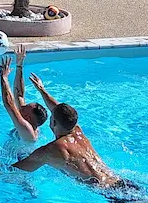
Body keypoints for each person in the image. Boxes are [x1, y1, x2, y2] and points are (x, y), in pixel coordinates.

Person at [12, 73, 140, 193]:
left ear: (54, 123)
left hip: (112, 194)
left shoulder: (51, 150)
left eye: (51, 117)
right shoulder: (77, 131)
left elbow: (14, 171)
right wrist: (41, 89)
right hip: (125, 183)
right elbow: (60, 111)